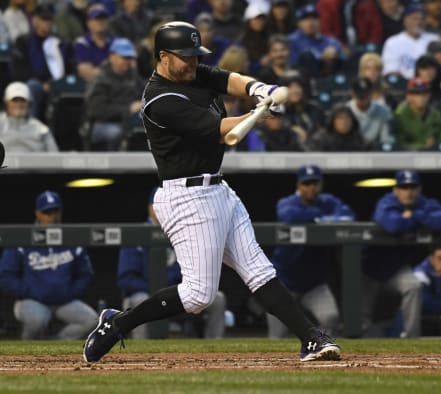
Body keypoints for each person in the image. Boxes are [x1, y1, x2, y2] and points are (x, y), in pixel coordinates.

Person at [83, 21, 340, 363]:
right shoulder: (159, 100)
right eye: (184, 57)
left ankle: (311, 338)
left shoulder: (192, 73)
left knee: (259, 271)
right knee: (197, 296)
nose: (192, 63)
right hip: (186, 198)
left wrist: (258, 88)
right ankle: (117, 322)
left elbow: (228, 79)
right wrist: (258, 114)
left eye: (194, 55)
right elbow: (219, 131)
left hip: (218, 188)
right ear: (163, 57)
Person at [117, 188, 227, 339]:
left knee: (217, 299)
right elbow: (126, 279)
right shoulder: (137, 234)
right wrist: (156, 293)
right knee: (140, 300)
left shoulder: (183, 233)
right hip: (145, 293)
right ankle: (141, 350)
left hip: (176, 294)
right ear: (150, 208)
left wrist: (174, 291)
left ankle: (214, 348)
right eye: (159, 206)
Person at [362, 170, 441, 338]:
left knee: (413, 285)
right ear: (395, 190)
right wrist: (421, 219)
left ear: (419, 189)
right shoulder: (386, 202)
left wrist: (413, 215)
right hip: (369, 269)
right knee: (362, 318)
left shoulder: (423, 204)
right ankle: (360, 351)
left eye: (412, 187)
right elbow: (392, 225)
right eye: (404, 187)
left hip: (396, 269)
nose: (408, 192)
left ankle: (411, 338)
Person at [267, 164, 355, 338]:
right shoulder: (288, 202)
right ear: (299, 186)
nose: (311, 188)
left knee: (330, 317)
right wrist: (322, 218)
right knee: (277, 335)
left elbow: (348, 216)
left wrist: (317, 219)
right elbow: (289, 216)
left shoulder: (328, 201)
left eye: (315, 183)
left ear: (320, 185)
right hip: (285, 282)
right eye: (306, 183)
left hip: (314, 284)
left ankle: (322, 348)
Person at [0, 191, 98, 340]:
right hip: (32, 300)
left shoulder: (71, 238)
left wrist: (70, 292)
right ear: (37, 214)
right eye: (47, 212)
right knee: (37, 320)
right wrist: (29, 291)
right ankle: (25, 353)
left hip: (64, 301)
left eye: (55, 211)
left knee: (92, 320)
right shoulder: (24, 237)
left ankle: (57, 344)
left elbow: (85, 274)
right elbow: (5, 276)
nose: (52, 216)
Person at [9, 4, 72, 120]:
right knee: (33, 85)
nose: (47, 23)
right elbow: (18, 71)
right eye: (44, 19)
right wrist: (43, 84)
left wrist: (58, 83)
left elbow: (70, 66)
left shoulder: (62, 42)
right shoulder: (23, 41)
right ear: (35, 20)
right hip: (35, 84)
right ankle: (31, 127)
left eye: (49, 19)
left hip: (58, 84)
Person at [84, 37, 145, 151]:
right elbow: (97, 111)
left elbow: (146, 94)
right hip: (103, 124)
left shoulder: (133, 76)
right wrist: (128, 110)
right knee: (117, 132)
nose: (128, 61)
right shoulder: (100, 78)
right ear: (112, 57)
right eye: (124, 57)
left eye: (130, 58)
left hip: (130, 121)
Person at [382, 3, 440, 79]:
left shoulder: (435, 40)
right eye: (415, 18)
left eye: (421, 19)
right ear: (405, 20)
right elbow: (390, 71)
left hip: (429, 85)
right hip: (403, 86)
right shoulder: (392, 42)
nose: (419, 22)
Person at [288, 4, 345, 78]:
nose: (310, 23)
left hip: (327, 78)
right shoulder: (292, 40)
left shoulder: (330, 41)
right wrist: (321, 57)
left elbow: (344, 61)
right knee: (307, 56)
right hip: (303, 81)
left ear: (320, 21)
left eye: (314, 18)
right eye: (306, 19)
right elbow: (293, 65)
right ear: (299, 23)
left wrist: (336, 54)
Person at [0, 81, 59, 152]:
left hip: (35, 163)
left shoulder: (41, 130)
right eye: (15, 100)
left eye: (23, 100)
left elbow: (55, 157)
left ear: (29, 103)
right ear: (6, 103)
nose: (19, 104)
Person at [394, 77, 441, 151]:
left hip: (434, 155)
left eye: (424, 93)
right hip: (408, 157)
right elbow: (399, 143)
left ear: (429, 95)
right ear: (408, 96)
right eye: (416, 94)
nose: (421, 97)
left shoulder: (436, 115)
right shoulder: (399, 115)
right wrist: (423, 145)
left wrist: (436, 145)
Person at [345, 77, 394, 150]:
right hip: (349, 151)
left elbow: (387, 140)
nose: (363, 98)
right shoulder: (345, 110)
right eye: (360, 95)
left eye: (366, 94)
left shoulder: (384, 111)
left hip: (375, 151)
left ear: (372, 93)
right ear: (353, 93)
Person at [73, 3, 114, 82]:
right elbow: (85, 71)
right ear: (88, 22)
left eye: (103, 18)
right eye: (96, 18)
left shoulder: (116, 42)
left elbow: (130, 67)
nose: (100, 21)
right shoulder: (82, 43)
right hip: (92, 88)